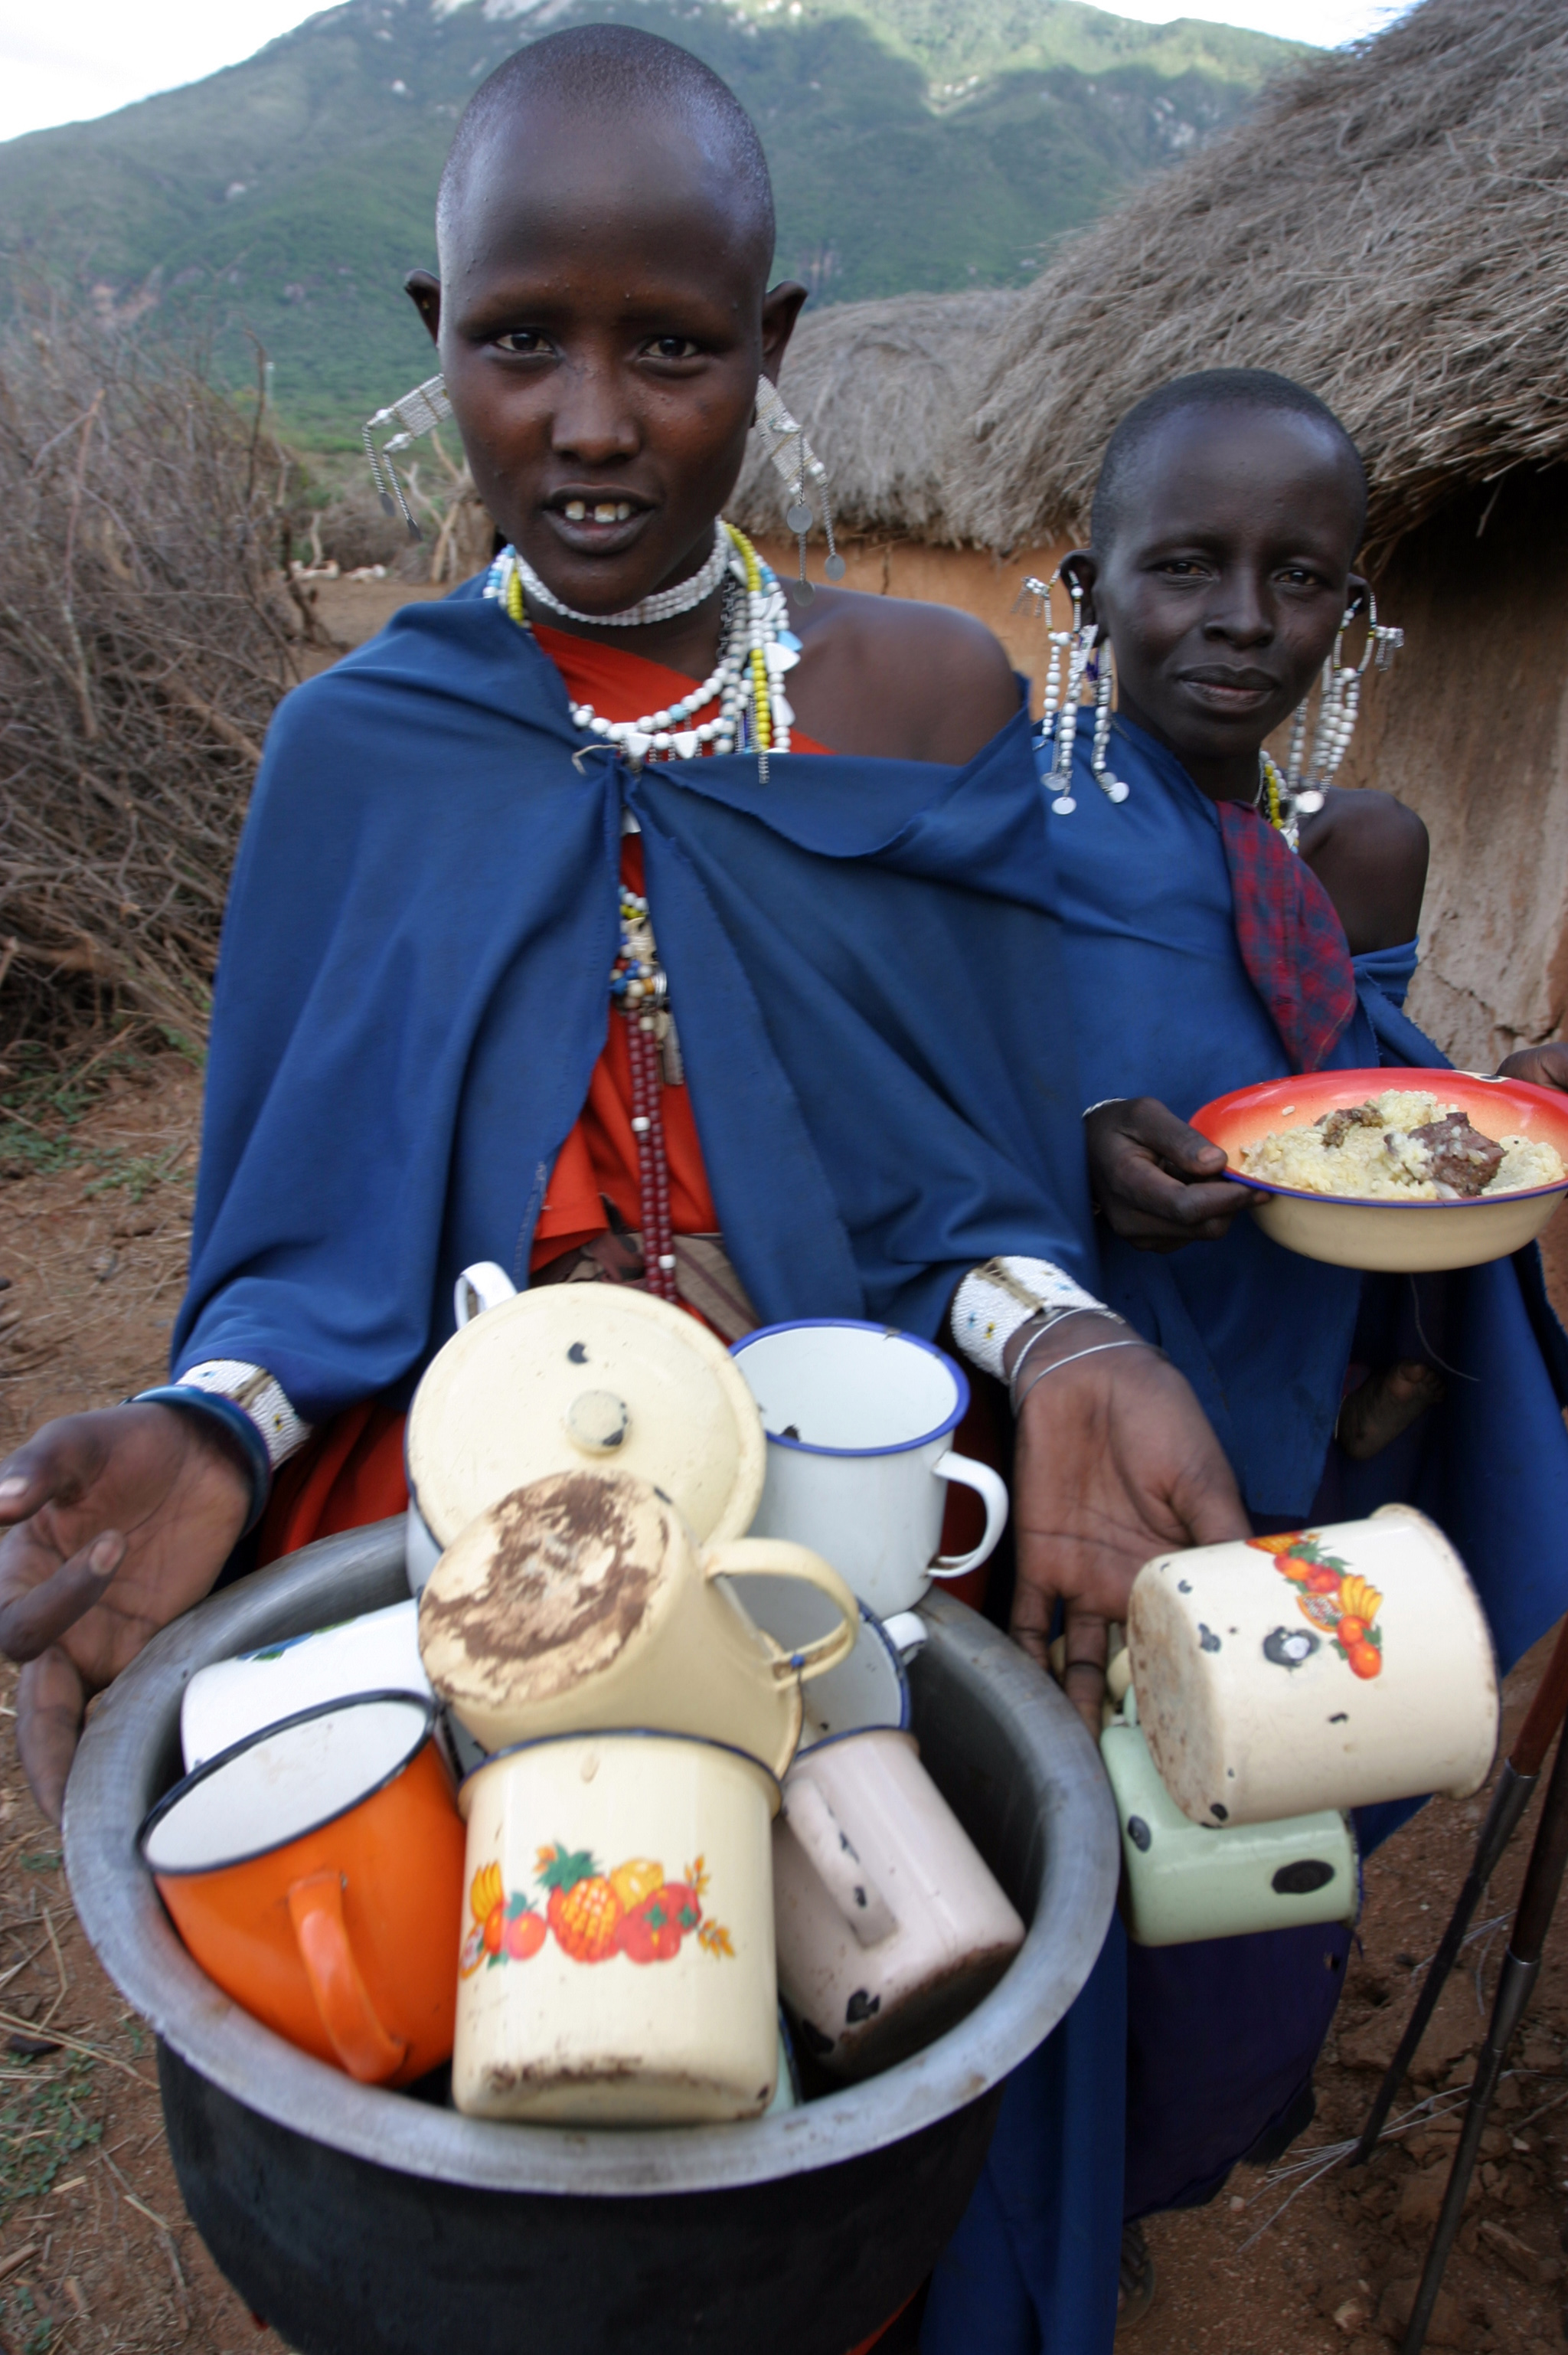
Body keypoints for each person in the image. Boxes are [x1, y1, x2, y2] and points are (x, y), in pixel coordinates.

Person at [0, 32, 1253, 2354]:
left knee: (849, 2057)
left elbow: (966, 1170)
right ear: (435, 335)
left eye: (672, 349)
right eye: (520, 343)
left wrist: (1062, 1334)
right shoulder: (360, 748)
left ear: (771, 350)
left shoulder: (918, 701)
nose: (590, 422)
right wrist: (224, 1420)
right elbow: (319, 1210)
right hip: (462, 1498)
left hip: (841, 1503)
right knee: (505, 2071)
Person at [937, 368, 1568, 2331]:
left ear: (1351, 616)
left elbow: (1349, 1101)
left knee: (1236, 1900)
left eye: (1296, 577)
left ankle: (1134, 2163)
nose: (1238, 616)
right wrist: (1062, 1157)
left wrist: (1489, 1108)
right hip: (1055, 1455)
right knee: (1046, 1842)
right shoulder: (996, 830)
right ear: (1085, 583)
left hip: (1294, 1445)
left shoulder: (1356, 852)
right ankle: (1025, 2211)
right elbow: (902, 1111)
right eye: (1184, 564)